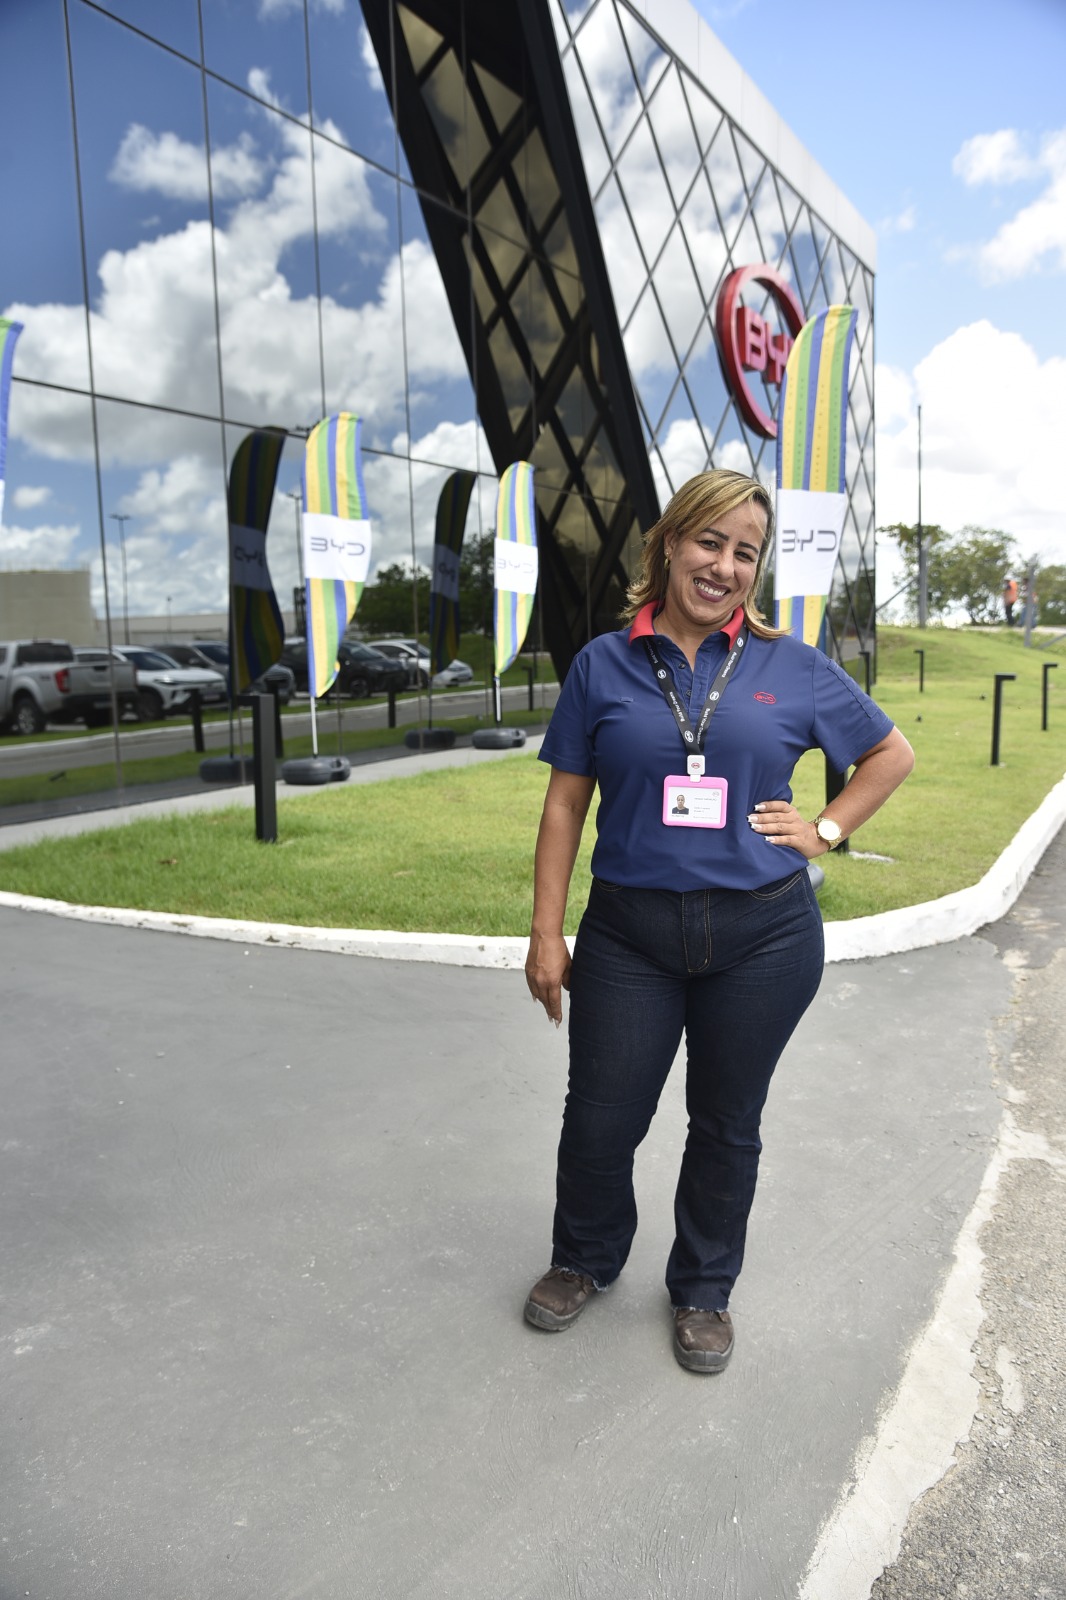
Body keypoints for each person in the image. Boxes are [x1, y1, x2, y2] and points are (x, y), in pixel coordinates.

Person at [523, 468, 914, 1374]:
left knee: (727, 1121)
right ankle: (583, 1259)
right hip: (630, 934)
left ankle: (703, 1288)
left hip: (764, 937)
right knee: (600, 1115)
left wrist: (823, 830)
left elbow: (890, 755)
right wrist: (548, 933)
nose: (725, 566)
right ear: (667, 542)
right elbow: (562, 809)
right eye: (710, 542)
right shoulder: (603, 664)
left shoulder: (792, 667)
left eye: (746, 552)